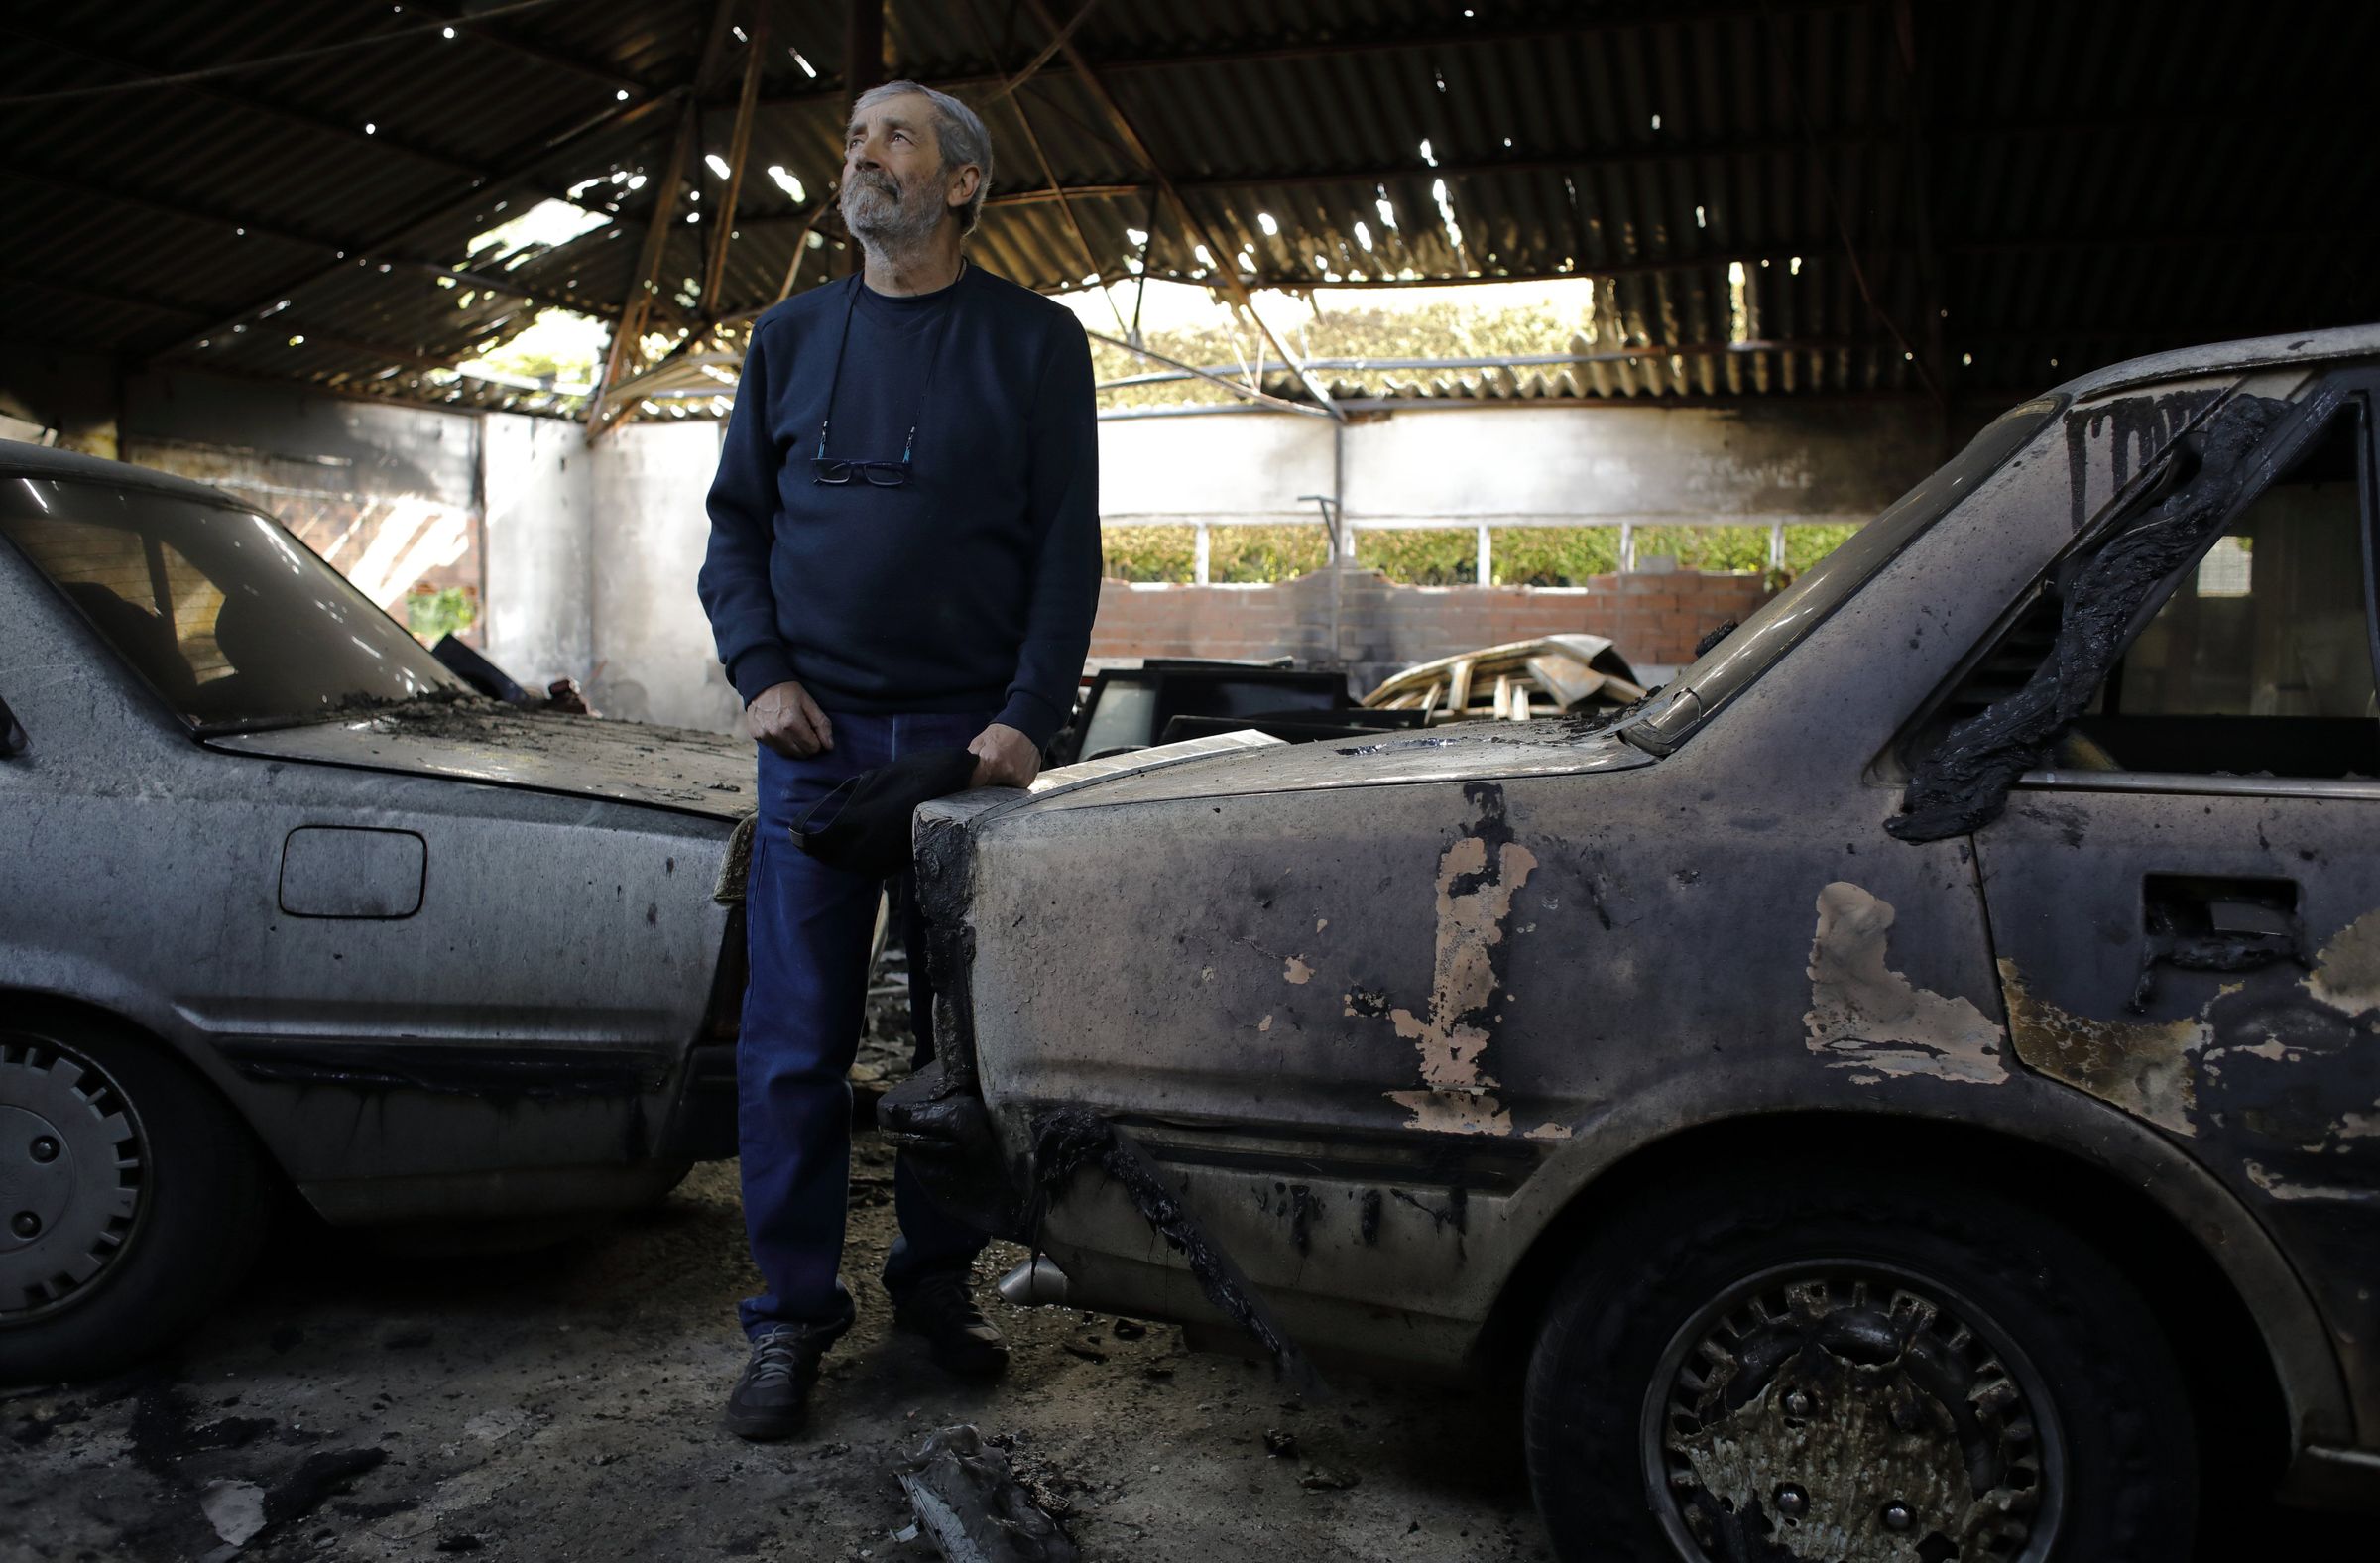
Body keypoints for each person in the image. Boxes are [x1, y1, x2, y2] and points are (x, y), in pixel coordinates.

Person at [695, 79, 1100, 1440]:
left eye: (895, 136)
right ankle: (792, 1318)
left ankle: (936, 1288)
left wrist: (1022, 721)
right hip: (812, 749)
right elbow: (735, 528)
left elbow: (1067, 551)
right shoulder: (790, 336)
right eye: (855, 135)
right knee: (793, 1044)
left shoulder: (1036, 346)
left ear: (963, 182)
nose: (862, 154)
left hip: (961, 760)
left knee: (955, 1052)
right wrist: (760, 673)